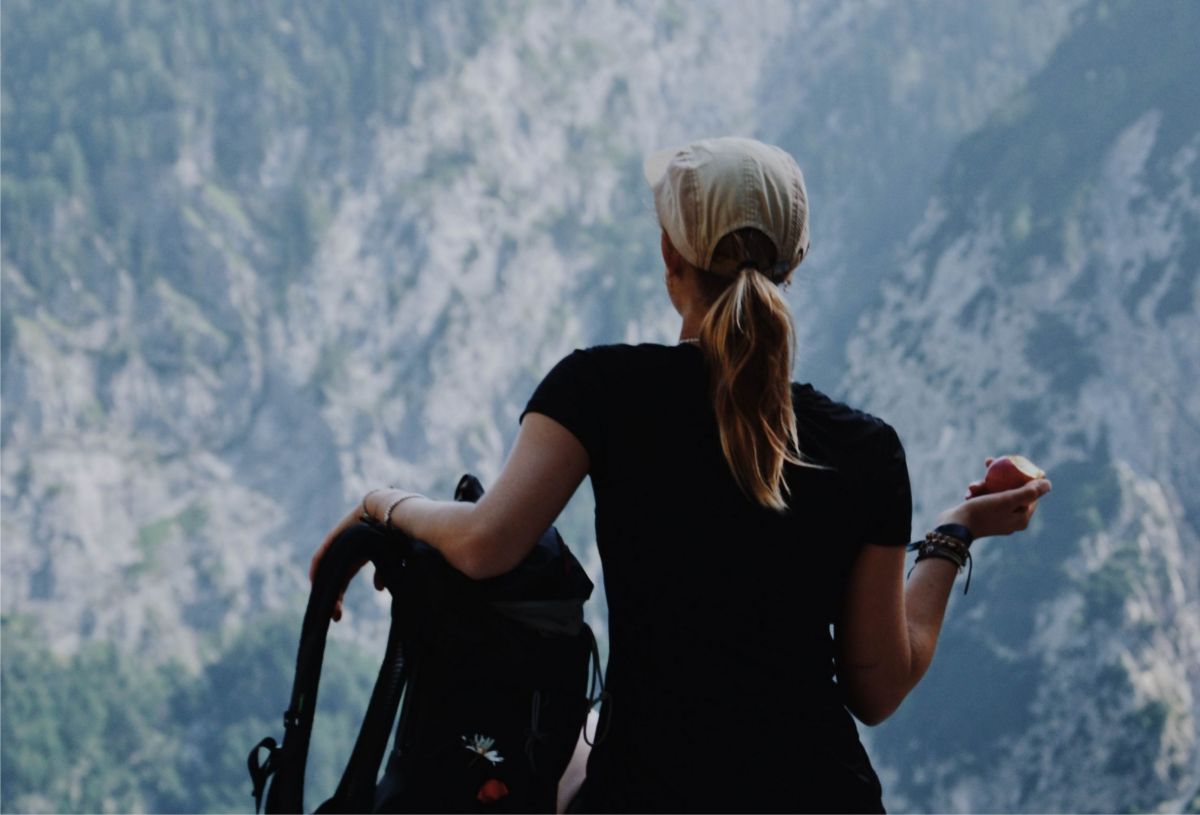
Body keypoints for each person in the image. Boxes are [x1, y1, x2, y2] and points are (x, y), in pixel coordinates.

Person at [312, 137, 1052, 812]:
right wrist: (954, 535)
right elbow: (878, 687)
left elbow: (485, 543)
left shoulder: (599, 390)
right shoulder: (866, 450)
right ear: (795, 264)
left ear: (670, 254)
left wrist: (381, 502)